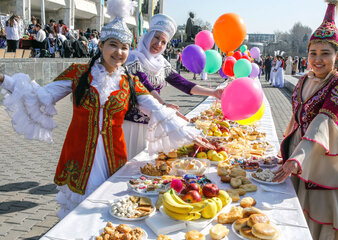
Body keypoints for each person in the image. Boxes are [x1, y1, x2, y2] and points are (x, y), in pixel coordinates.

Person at [0, 0, 212, 219]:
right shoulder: (79, 73)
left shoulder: (130, 82)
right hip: (80, 156)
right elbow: (41, 96)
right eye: (113, 45)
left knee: (106, 212)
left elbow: (157, 109)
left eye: (124, 47)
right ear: (101, 45)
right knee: (75, 214)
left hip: (114, 156)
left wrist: (190, 134)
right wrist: (4, 80)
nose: (119, 52)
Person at [274, 1, 338, 239]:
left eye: (325, 54)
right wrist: (286, 150)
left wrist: (297, 158)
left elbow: (322, 121)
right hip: (297, 154)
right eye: (313, 53)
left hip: (320, 160)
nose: (318, 60)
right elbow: (295, 117)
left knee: (319, 223)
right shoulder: (303, 80)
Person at [125, 14, 224, 160]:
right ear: (148, 36)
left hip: (153, 121)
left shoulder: (161, 63)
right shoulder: (133, 58)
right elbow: (144, 85)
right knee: (129, 163)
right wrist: (164, 106)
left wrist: (213, 92)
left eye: (163, 42)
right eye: (156, 37)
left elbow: (182, 83)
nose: (159, 44)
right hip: (132, 124)